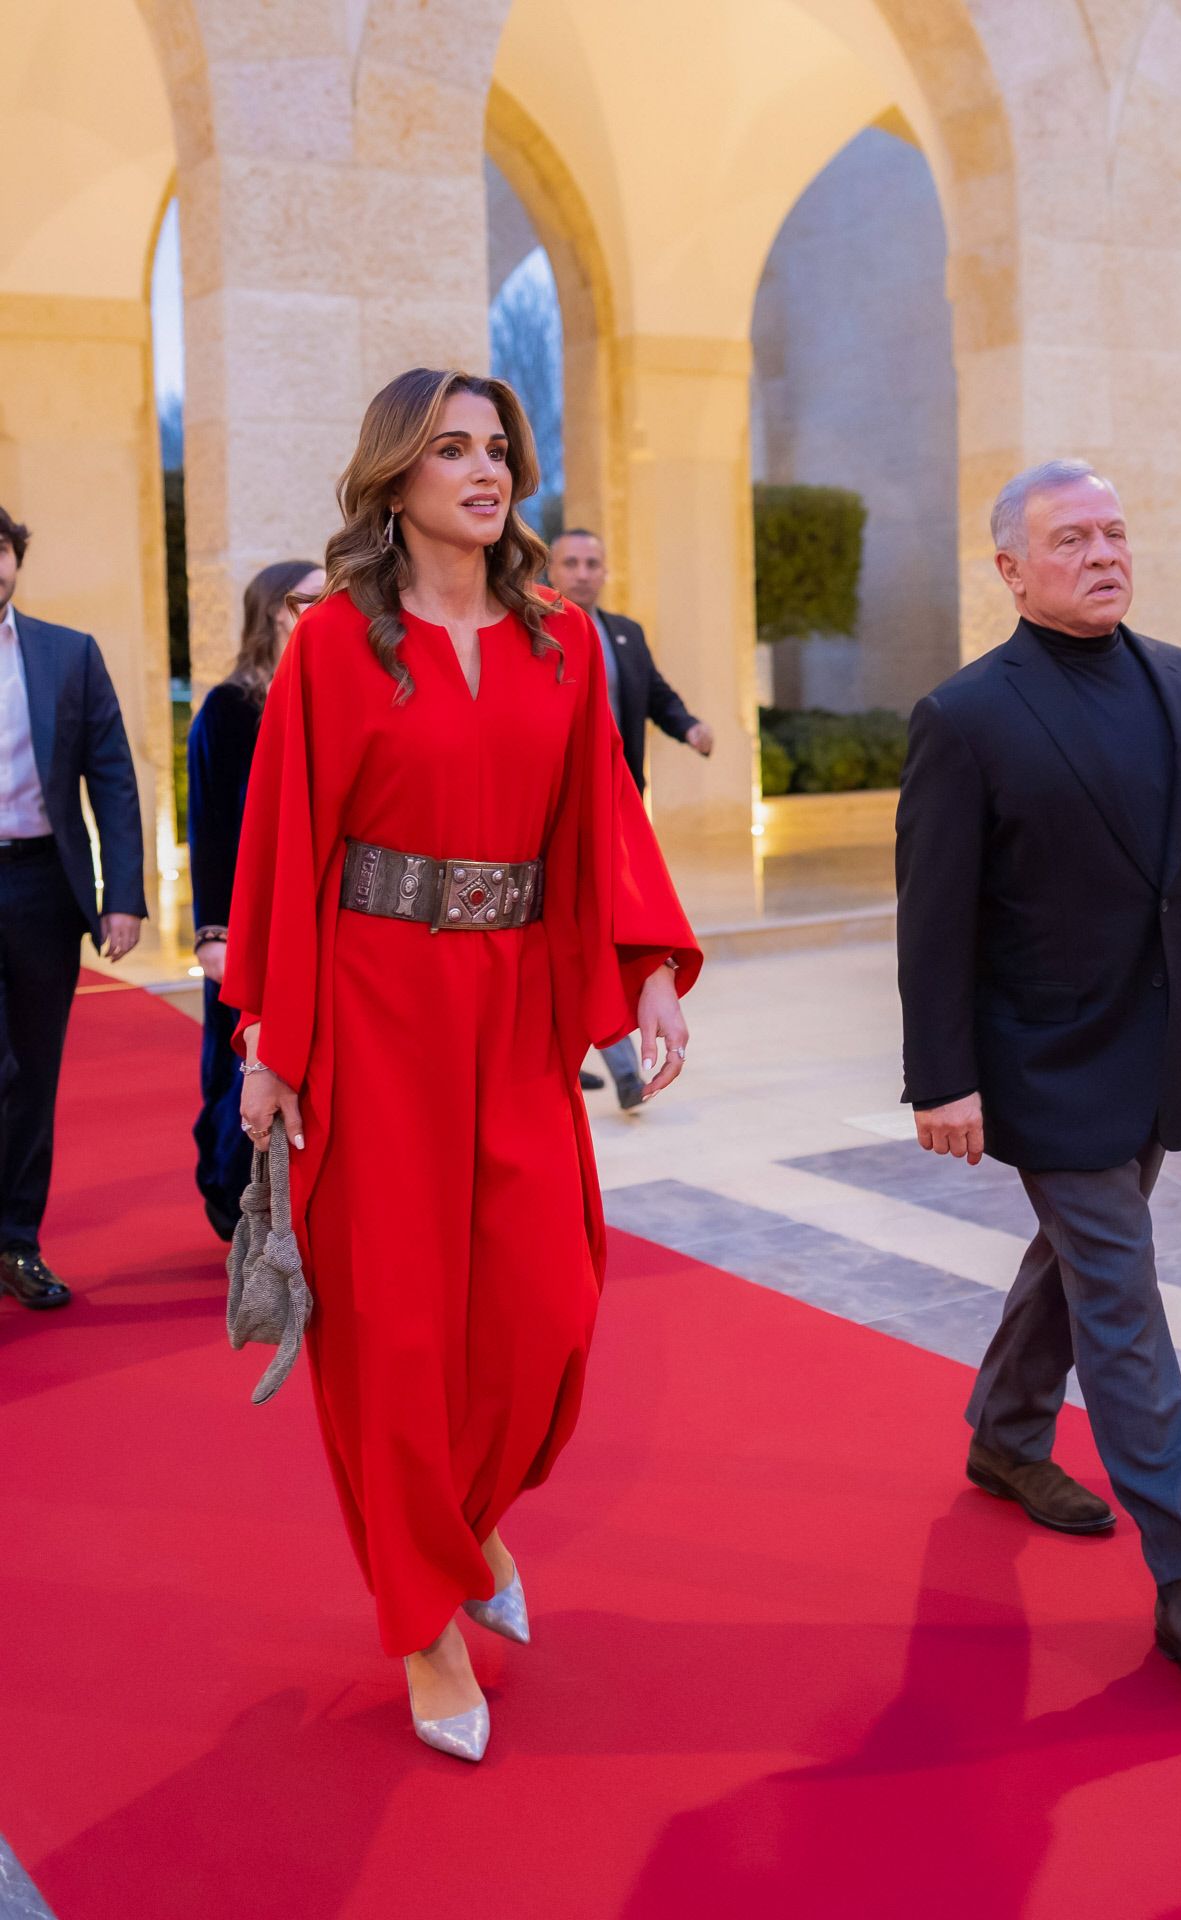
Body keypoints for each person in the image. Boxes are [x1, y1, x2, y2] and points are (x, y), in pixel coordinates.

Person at [224, 368, 699, 1762]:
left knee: (547, 1303)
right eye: (452, 450)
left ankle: (463, 1514)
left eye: (499, 449)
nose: (485, 471)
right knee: (395, 1329)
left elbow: (601, 814)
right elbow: (285, 849)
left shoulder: (560, 641)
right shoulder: (332, 648)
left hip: (511, 1006)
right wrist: (274, 1039)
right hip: (372, 1005)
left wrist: (652, 969)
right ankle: (426, 1621)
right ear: (397, 478)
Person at [895, 459, 1181, 1678]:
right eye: (1070, 539)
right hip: (1042, 1058)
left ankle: (1006, 1433)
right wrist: (941, 1077)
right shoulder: (968, 716)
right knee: (1123, 1292)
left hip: (1160, 1048)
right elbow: (934, 917)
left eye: (1114, 532)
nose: (1103, 554)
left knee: (1077, 1255)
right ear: (1010, 569)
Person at [0, 504, 146, 1313]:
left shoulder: (68, 655)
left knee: (33, 1072)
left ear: (17, 559)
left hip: (40, 890)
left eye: (0, 549)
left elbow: (113, 778)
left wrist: (122, 896)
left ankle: (17, 1239)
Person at [545, 527, 712, 1111]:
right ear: (551, 568)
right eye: (571, 562)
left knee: (614, 918)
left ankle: (615, 1052)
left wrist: (689, 726)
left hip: (617, 803)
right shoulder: (536, 628)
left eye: (593, 562)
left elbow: (658, 696)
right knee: (582, 923)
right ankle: (617, 1057)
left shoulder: (624, 633)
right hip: (559, 813)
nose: (583, 572)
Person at [186, 558, 323, 1240]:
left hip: (317, 915)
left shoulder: (333, 692)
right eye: (311, 600)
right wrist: (212, 931)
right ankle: (229, 1195)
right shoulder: (231, 708)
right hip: (247, 917)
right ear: (274, 609)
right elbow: (208, 824)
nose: (326, 609)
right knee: (238, 1059)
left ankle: (299, 1204)